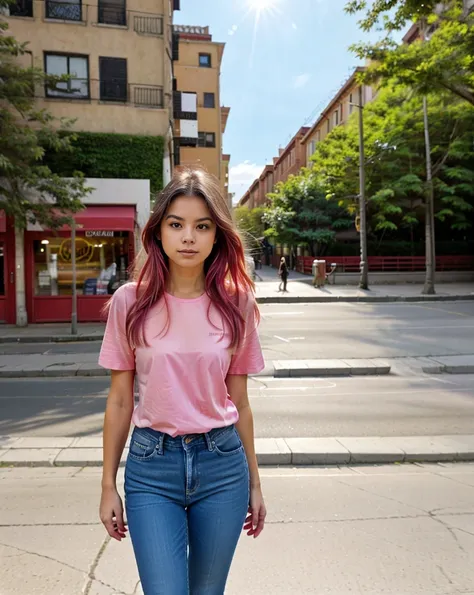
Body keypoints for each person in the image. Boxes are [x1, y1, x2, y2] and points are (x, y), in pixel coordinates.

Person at [98, 167, 267, 595]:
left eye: (202, 226)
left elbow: (241, 402)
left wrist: (256, 483)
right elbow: (120, 402)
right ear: (158, 233)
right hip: (152, 468)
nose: (188, 237)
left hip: (222, 466)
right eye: (176, 224)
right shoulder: (130, 302)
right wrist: (107, 486)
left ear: (216, 236)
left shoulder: (237, 304)